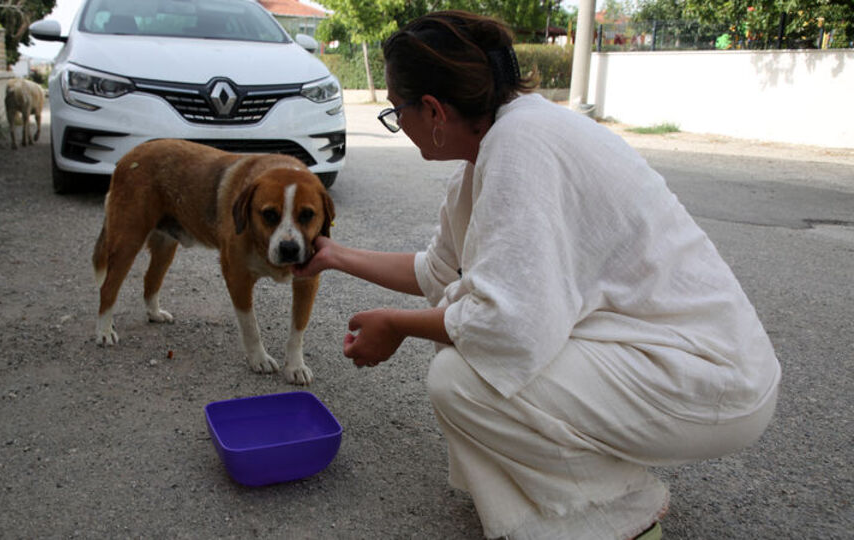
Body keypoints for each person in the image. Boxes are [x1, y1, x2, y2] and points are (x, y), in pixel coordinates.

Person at [294, 10, 781, 540]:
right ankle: (540, 503)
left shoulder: (521, 147)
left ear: (432, 109)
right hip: (661, 354)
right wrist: (335, 255)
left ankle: (619, 517)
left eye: (396, 112)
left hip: (710, 377)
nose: (398, 124)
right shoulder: (492, 151)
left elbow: (505, 327)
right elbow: (436, 272)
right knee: (463, 340)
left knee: (461, 376)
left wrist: (398, 326)